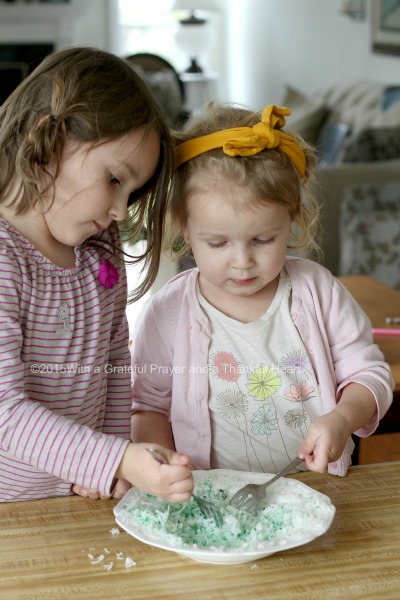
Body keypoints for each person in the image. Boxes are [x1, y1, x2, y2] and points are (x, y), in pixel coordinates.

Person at [131, 102, 394, 477]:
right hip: (212, 502)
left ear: (291, 220)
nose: (242, 261)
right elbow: (149, 406)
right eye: (218, 243)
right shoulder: (167, 313)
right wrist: (160, 467)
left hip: (317, 492)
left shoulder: (319, 292)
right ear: (185, 229)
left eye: (263, 239)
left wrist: (342, 418)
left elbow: (370, 377)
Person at [0, 46, 193, 503]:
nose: (120, 210)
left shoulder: (99, 253)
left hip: (70, 500)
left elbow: (113, 366)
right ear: (50, 138)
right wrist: (115, 458)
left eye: (131, 191)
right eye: (113, 179)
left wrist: (110, 466)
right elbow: (4, 412)